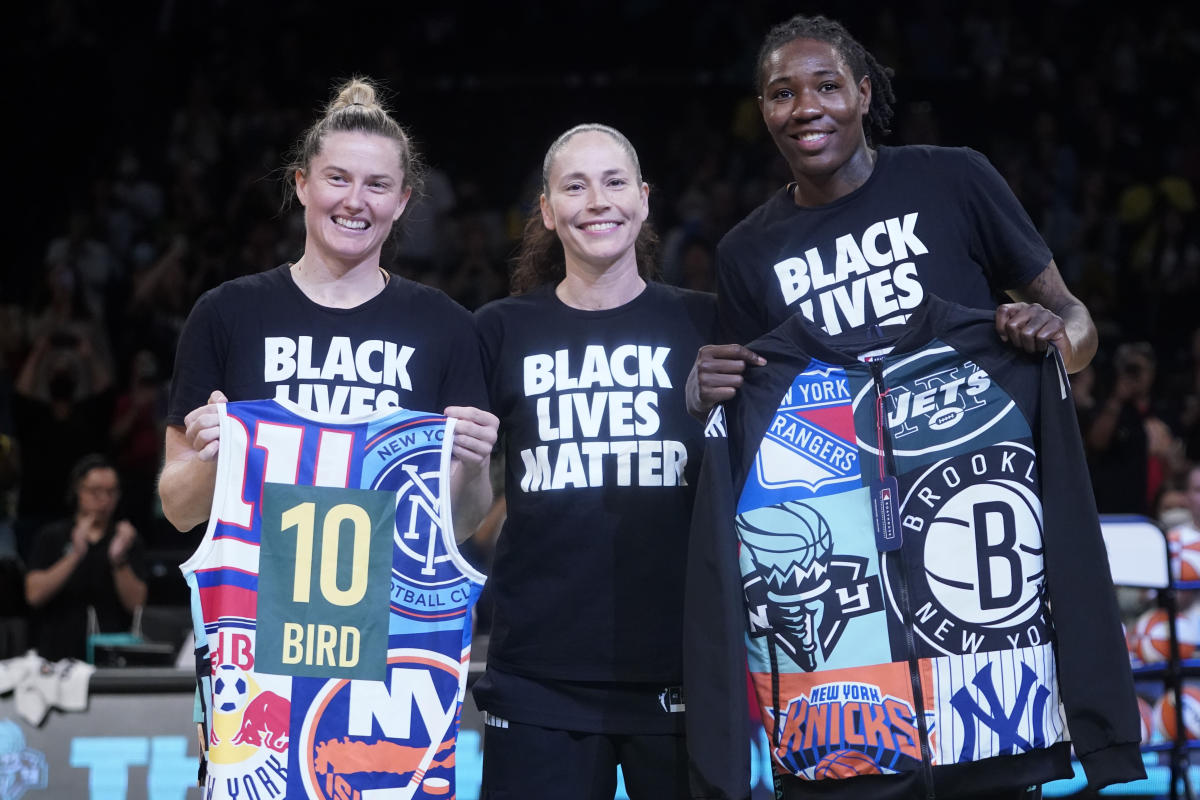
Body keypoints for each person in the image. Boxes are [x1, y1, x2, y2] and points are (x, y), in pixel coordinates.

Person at [686, 13, 1099, 419]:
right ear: (763, 111)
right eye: (782, 94)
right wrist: (702, 398)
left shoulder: (955, 178)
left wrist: (1058, 343)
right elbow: (751, 412)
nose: (806, 108)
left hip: (978, 466)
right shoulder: (745, 252)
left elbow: (1074, 317)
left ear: (863, 94)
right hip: (843, 483)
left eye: (828, 86)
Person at [472, 124, 717, 799]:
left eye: (613, 183)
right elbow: (462, 506)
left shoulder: (708, 323)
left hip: (685, 670)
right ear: (548, 212)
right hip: (537, 679)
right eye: (573, 186)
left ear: (642, 200)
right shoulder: (498, 330)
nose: (596, 201)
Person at [158, 76, 497, 538]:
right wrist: (213, 460)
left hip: (390, 605)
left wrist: (474, 466)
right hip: (255, 605)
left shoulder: (447, 326)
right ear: (301, 185)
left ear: (401, 202)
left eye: (378, 185)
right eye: (337, 178)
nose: (355, 202)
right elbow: (178, 510)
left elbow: (460, 528)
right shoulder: (226, 313)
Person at [24, 454, 147, 661]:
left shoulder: (126, 539)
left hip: (110, 655)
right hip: (57, 654)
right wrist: (74, 555)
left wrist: (119, 560)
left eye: (111, 492)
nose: (104, 500)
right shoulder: (52, 536)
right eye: (95, 491)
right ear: (78, 491)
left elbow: (137, 604)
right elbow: (33, 594)